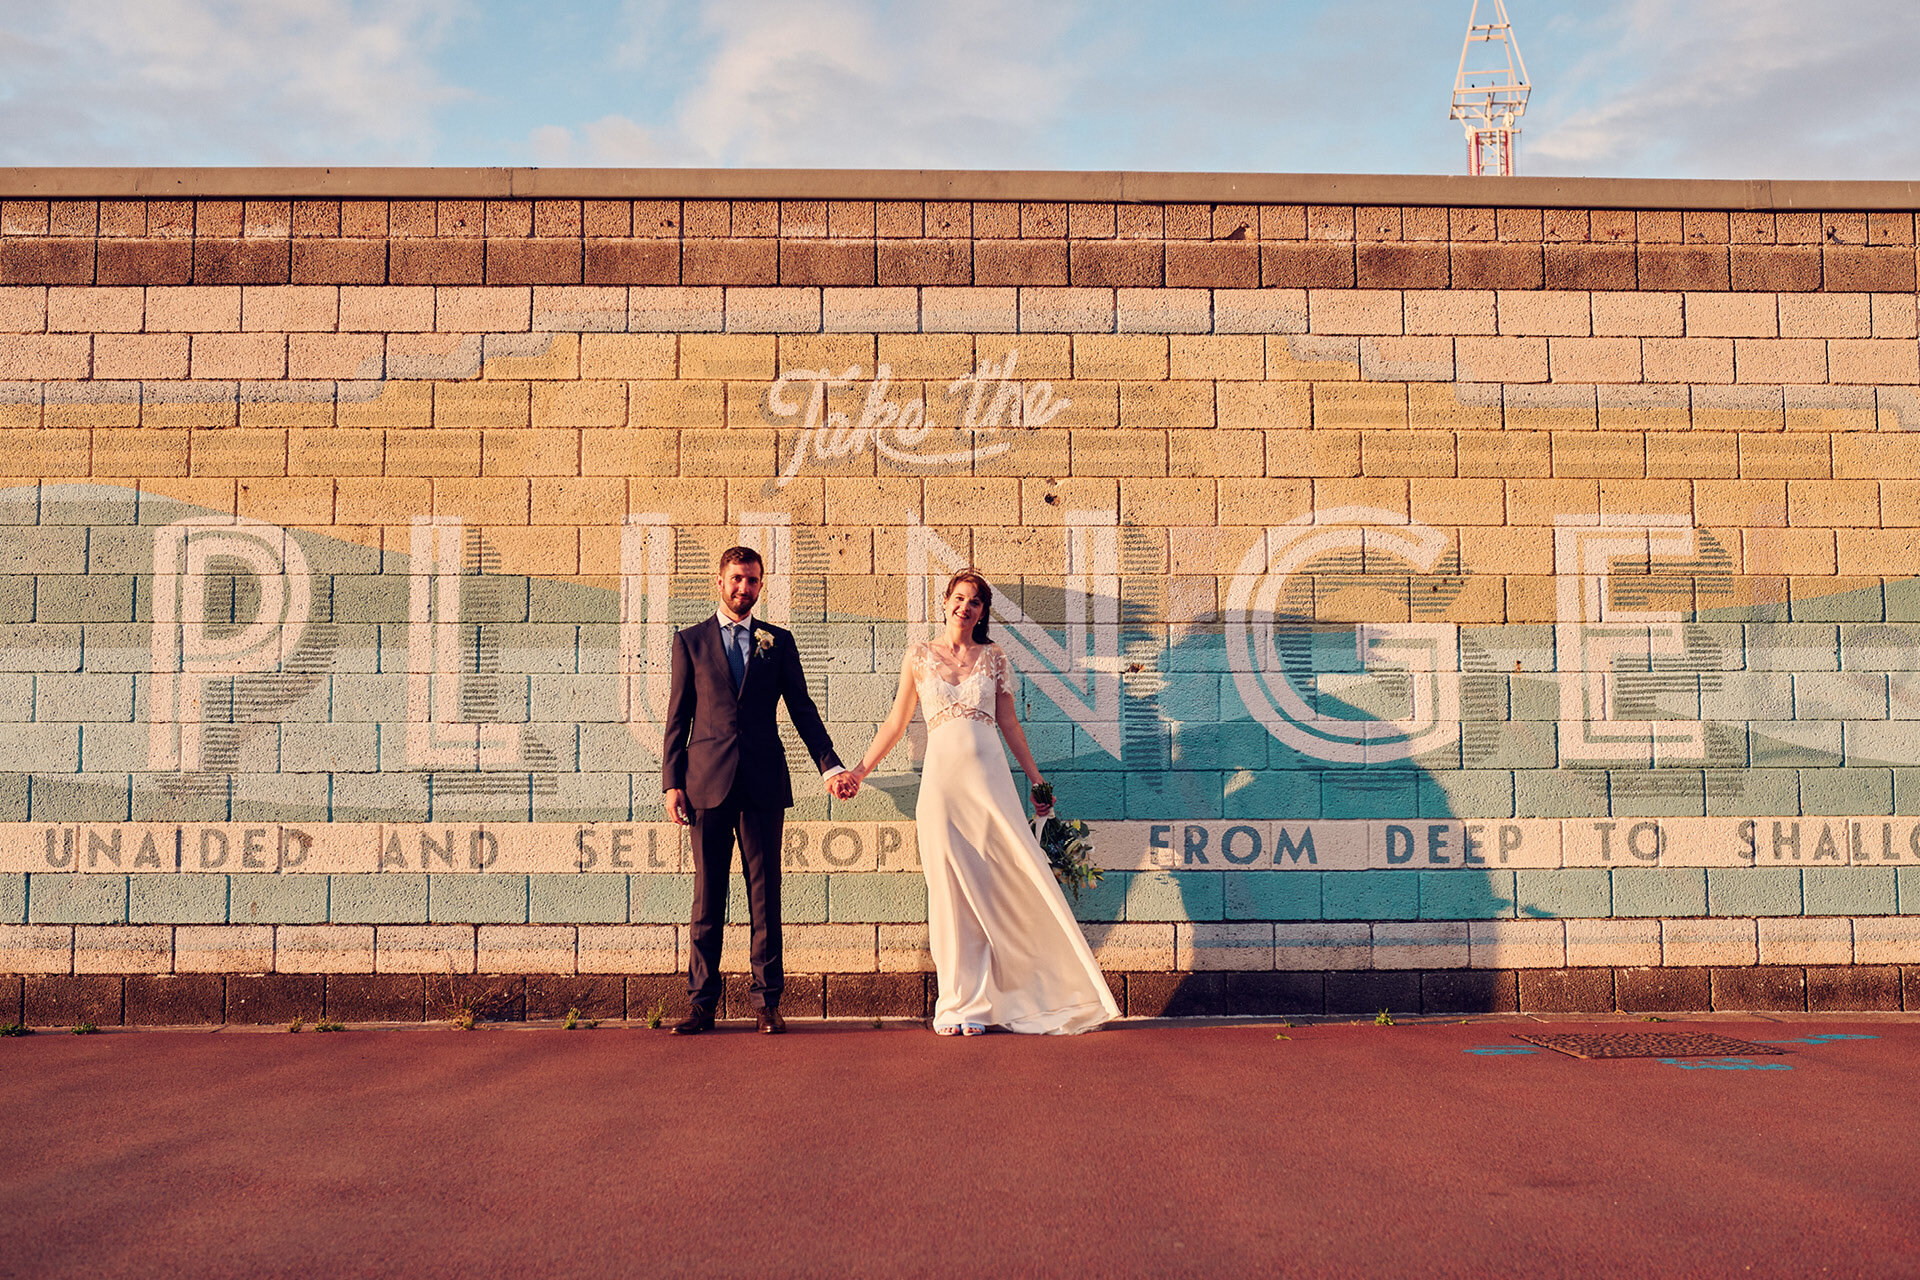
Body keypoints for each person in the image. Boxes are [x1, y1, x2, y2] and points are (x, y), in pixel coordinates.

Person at [846, 569, 1119, 1036]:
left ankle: (1013, 996)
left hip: (991, 785)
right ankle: (957, 1006)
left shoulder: (994, 657)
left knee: (1006, 886)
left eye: (974, 601)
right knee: (950, 894)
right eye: (958, 598)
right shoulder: (919, 656)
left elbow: (1010, 724)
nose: (965, 607)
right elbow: (895, 724)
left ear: (982, 612)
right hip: (941, 791)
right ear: (946, 602)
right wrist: (857, 771)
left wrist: (1036, 782)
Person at [662, 546, 859, 1035]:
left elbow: (802, 708)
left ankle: (767, 1002)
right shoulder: (690, 641)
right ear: (719, 580)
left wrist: (830, 765)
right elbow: (678, 716)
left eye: (751, 580)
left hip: (763, 783)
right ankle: (702, 1003)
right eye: (735, 579)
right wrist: (672, 782)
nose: (742, 588)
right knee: (707, 897)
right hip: (705, 783)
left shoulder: (779, 642)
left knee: (764, 895)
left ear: (760, 585)